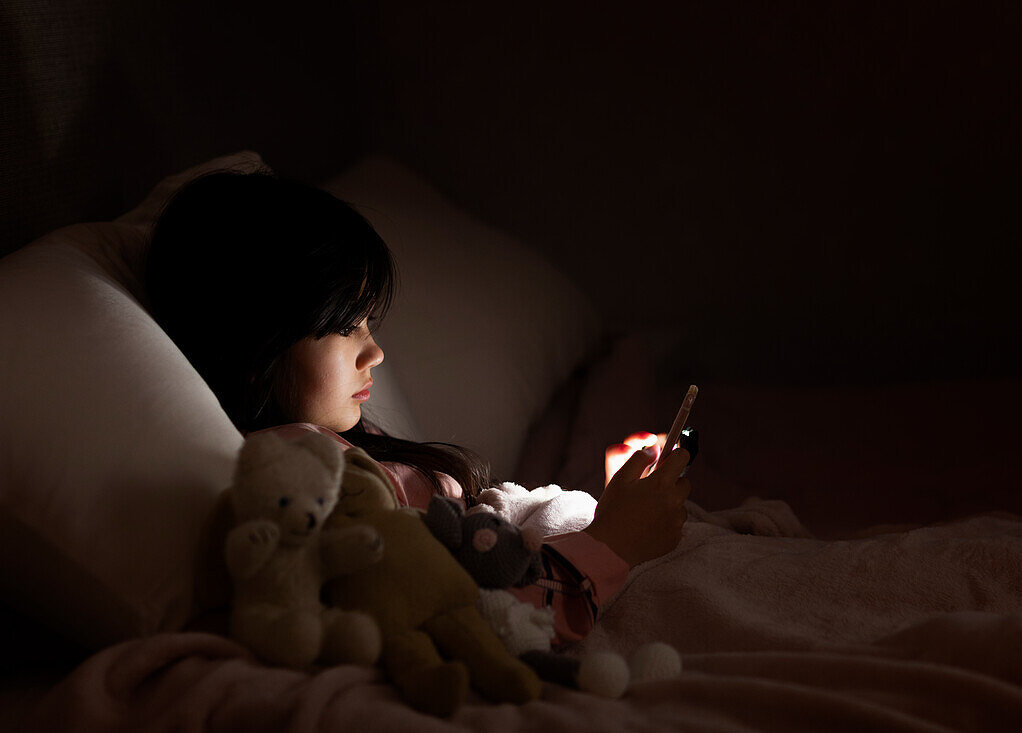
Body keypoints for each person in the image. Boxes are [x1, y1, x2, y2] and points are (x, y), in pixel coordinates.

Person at [145, 170, 693, 646]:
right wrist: (613, 542)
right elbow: (444, 608)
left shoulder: (341, 443)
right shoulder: (298, 470)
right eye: (344, 327)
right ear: (251, 348)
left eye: (369, 324)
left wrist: (604, 508)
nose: (374, 352)